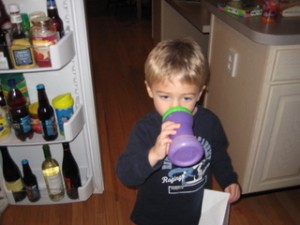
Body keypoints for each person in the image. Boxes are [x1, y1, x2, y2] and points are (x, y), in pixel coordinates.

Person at [116, 38, 241, 225]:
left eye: (186, 98)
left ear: (200, 94)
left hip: (194, 209)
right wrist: (154, 154)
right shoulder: (146, 129)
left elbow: (219, 154)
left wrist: (229, 179)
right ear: (149, 90)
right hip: (155, 213)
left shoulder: (209, 122)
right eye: (165, 96)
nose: (174, 106)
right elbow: (126, 174)